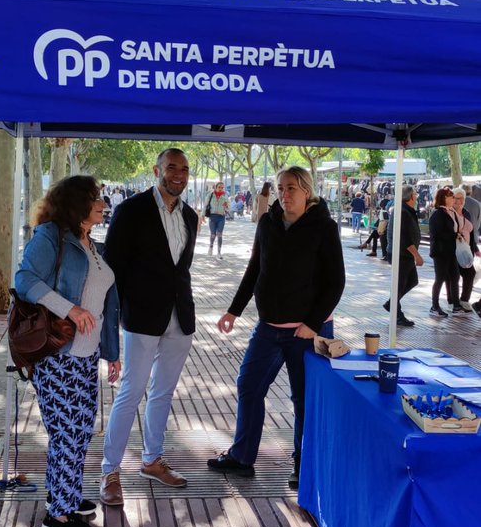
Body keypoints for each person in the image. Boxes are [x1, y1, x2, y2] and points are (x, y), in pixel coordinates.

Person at [208, 166, 345, 489]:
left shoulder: (324, 226)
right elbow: (255, 268)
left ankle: (304, 465)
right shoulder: (267, 223)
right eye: (281, 188)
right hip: (269, 328)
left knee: (304, 400)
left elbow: (335, 282)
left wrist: (312, 324)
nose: (284, 194)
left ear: (307, 191)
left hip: (307, 332)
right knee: (249, 386)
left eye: (291, 188)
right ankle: (242, 457)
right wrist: (233, 310)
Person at [15, 176, 120, 527]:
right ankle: (58, 515)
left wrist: (112, 353)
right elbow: (25, 279)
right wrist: (69, 309)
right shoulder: (50, 237)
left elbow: (105, 304)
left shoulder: (91, 244)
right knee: (66, 434)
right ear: (76, 204)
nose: (103, 204)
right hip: (58, 355)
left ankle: (67, 496)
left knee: (80, 430)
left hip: (86, 357)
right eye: (95, 199)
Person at [99, 148, 197, 503]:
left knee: (163, 392)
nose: (179, 174)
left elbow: (180, 269)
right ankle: (110, 470)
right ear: (157, 170)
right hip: (140, 317)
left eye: (184, 169)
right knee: (131, 392)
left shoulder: (191, 216)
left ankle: (152, 460)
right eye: (172, 167)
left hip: (180, 317)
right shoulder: (130, 210)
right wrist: (112, 324)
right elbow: (112, 269)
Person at [382, 185, 423, 327]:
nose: (416, 196)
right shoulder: (402, 212)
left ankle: (392, 305)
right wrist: (417, 255)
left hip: (404, 255)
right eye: (415, 194)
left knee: (411, 281)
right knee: (400, 285)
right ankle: (396, 312)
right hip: (400, 254)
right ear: (410, 196)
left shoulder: (406, 210)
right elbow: (404, 238)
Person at [428, 186, 461, 317]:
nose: (454, 199)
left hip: (451, 251)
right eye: (451, 196)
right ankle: (434, 306)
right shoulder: (438, 214)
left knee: (455, 276)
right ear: (444, 198)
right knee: (440, 278)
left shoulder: (449, 212)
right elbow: (438, 233)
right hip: (440, 251)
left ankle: (456, 305)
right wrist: (455, 235)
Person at [452, 188, 477, 311]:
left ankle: (464, 300)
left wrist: (474, 248)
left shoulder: (466, 213)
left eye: (462, 198)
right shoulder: (449, 213)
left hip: (466, 250)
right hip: (453, 251)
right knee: (454, 276)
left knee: (470, 273)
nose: (460, 201)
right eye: (457, 198)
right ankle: (454, 302)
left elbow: (471, 232)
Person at [205, 181, 230, 258]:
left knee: (219, 234)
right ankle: (211, 247)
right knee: (213, 234)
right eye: (219, 187)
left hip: (221, 217)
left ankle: (219, 252)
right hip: (212, 217)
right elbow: (205, 205)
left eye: (222, 187)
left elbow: (228, 207)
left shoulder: (225, 195)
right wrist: (202, 215)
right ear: (215, 187)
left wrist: (226, 206)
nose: (220, 189)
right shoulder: (210, 195)